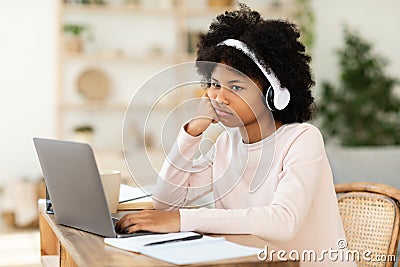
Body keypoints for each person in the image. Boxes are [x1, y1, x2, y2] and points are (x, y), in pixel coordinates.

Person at [116, 5, 355, 266]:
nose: (219, 97)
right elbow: (165, 201)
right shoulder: (226, 145)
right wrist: (192, 131)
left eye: (236, 87)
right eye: (215, 85)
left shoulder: (302, 139)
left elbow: (283, 221)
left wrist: (183, 220)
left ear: (272, 95)